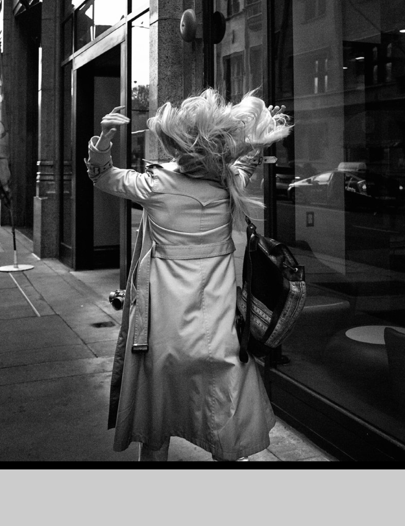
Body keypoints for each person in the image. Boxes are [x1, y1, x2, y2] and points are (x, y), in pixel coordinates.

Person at [85, 88, 292, 462]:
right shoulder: (229, 184)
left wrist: (104, 140)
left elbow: (102, 176)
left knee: (157, 404)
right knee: (222, 398)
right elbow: (245, 164)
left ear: (177, 146)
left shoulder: (155, 186)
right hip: (216, 318)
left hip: (164, 318)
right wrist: (258, 135)